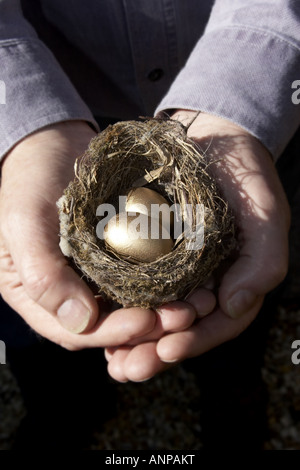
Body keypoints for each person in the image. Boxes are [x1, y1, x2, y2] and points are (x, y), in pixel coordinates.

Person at [0, 0, 298, 449]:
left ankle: (232, 390)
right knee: (42, 292)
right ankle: (65, 403)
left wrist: (245, 88)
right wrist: (25, 126)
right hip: (64, 93)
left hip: (245, 116)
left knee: (237, 272)